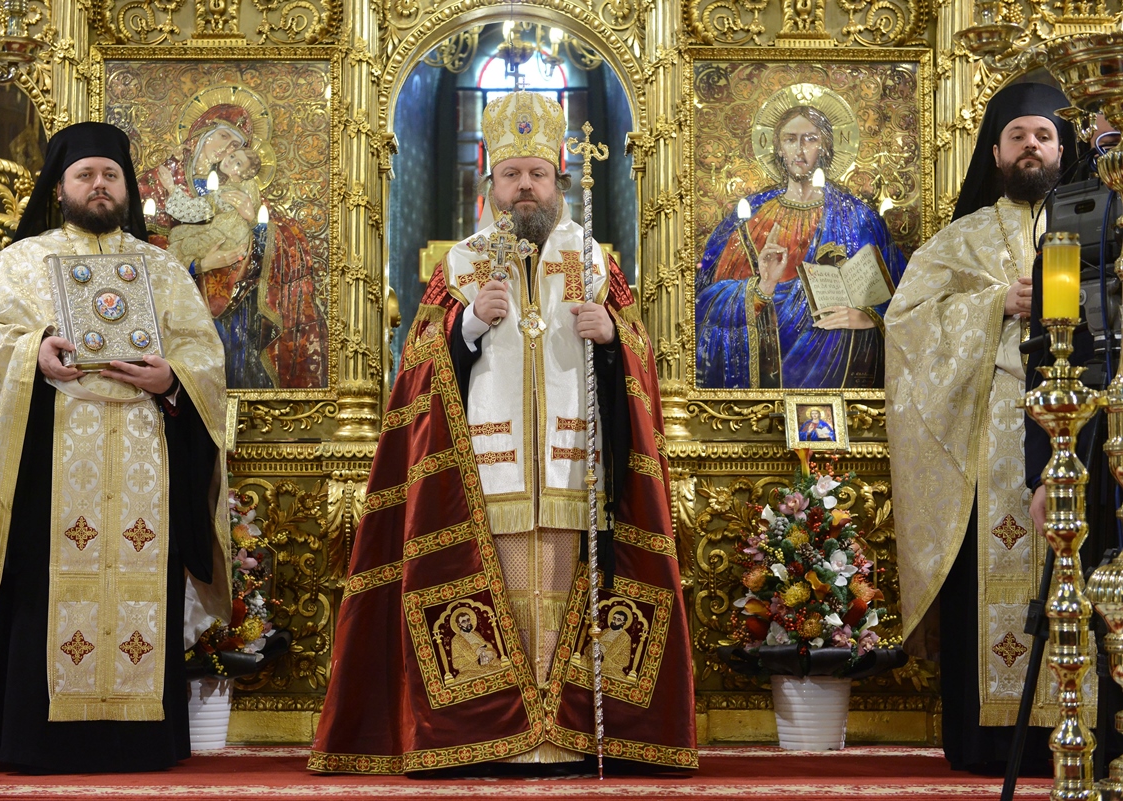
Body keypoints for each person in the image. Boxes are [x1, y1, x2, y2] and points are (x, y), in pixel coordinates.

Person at [309, 91, 697, 774]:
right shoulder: (460, 266)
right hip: (484, 482)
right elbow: (414, 373)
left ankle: (569, 738)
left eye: (537, 174)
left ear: (558, 182)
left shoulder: (596, 263)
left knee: (574, 606)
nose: (525, 186)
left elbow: (642, 363)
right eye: (511, 174)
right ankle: (496, 737)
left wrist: (613, 337)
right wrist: (465, 327)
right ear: (489, 184)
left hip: (578, 475)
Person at [0, 121, 232, 773]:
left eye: (110, 175)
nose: (98, 185)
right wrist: (32, 352)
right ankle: (34, 741)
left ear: (127, 188)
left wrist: (172, 378)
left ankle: (139, 742)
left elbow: (205, 358)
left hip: (143, 468)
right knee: (42, 593)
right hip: (46, 469)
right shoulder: (19, 264)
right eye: (85, 175)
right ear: (60, 187)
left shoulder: (162, 270)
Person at [885, 82, 1076, 773]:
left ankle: (1083, 733)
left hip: (1081, 431)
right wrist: (997, 303)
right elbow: (907, 325)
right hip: (986, 444)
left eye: (1044, 135)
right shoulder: (959, 240)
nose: (1031, 146)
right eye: (1018, 135)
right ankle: (991, 743)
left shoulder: (1096, 229)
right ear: (995, 151)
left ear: (1064, 148)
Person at [695, 85, 908, 389]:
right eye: (790, 139)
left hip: (840, 370)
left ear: (825, 146)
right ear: (778, 148)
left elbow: (904, 299)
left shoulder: (859, 218)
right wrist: (763, 287)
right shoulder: (750, 218)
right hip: (767, 371)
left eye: (810, 139)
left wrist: (868, 319)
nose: (799, 149)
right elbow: (705, 302)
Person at [138, 102, 328, 389]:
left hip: (236, 295)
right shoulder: (158, 180)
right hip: (181, 302)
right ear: (202, 134)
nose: (228, 149)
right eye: (224, 136)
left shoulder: (234, 188)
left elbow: (272, 230)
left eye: (236, 146)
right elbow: (145, 248)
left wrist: (255, 227)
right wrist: (198, 265)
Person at [167, 146, 264, 290]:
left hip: (224, 239)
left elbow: (192, 211)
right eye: (232, 156)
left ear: (246, 173)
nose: (230, 161)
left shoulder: (230, 192)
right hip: (228, 236)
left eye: (238, 163)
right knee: (177, 234)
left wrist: (171, 188)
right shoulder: (248, 188)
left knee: (178, 248)